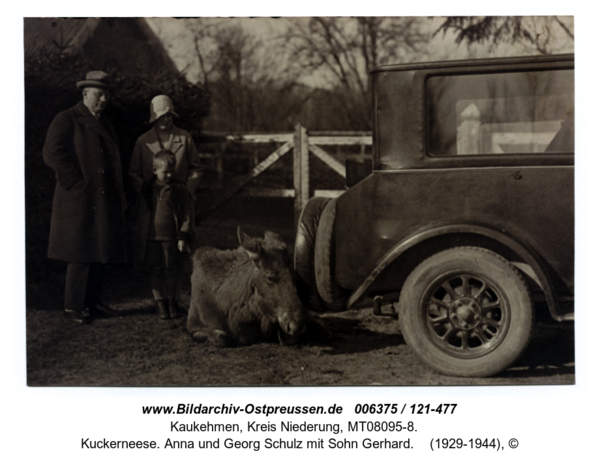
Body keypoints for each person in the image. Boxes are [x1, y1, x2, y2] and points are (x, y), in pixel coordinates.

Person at [43, 70, 127, 324]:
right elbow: (51, 153)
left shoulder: (105, 122)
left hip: (101, 198)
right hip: (80, 197)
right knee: (80, 253)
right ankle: (73, 307)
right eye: (99, 95)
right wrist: (76, 182)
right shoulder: (67, 118)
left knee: (100, 251)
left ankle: (94, 302)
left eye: (106, 95)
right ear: (85, 94)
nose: (103, 100)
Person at [129, 95, 203, 313]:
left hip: (179, 202)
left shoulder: (185, 138)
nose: (166, 120)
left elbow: (197, 168)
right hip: (153, 205)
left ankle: (176, 298)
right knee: (155, 255)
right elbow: (133, 172)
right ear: (154, 117)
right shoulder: (143, 141)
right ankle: (159, 300)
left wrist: (187, 190)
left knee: (179, 251)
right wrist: (145, 189)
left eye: (169, 115)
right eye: (161, 116)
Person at [133, 150, 194, 319]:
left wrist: (183, 236)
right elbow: (140, 212)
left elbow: (188, 214)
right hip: (151, 238)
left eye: (171, 171)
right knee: (155, 269)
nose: (169, 175)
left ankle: (170, 302)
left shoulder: (179, 189)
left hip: (171, 238)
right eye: (165, 171)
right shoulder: (147, 188)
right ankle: (159, 302)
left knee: (170, 270)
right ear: (154, 170)